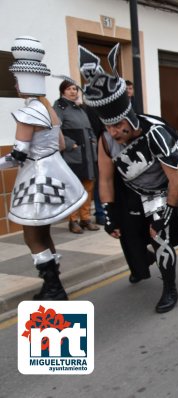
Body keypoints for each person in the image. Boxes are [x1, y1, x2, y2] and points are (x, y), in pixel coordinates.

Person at [79, 43, 178, 312]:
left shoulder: (156, 134)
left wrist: (167, 214)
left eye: (118, 125)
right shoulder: (105, 140)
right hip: (132, 192)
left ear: (129, 117)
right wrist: (108, 213)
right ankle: (141, 266)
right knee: (127, 234)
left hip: (162, 191)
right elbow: (105, 179)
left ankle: (169, 287)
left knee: (158, 235)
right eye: (108, 126)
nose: (114, 132)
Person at [1, 36, 87, 300]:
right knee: (43, 232)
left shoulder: (28, 113)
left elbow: (17, 156)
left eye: (16, 79)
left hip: (37, 178)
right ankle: (52, 284)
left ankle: (53, 287)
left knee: (31, 235)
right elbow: (60, 144)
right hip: (55, 172)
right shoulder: (48, 109)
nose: (15, 85)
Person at [53, 80, 100, 234]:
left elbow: (89, 128)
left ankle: (85, 219)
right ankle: (73, 221)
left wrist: (93, 140)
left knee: (88, 185)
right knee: (73, 186)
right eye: (69, 89)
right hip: (74, 154)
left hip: (87, 152)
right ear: (63, 91)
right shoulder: (60, 106)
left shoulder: (80, 108)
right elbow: (55, 128)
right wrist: (69, 144)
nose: (73, 91)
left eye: (75, 89)